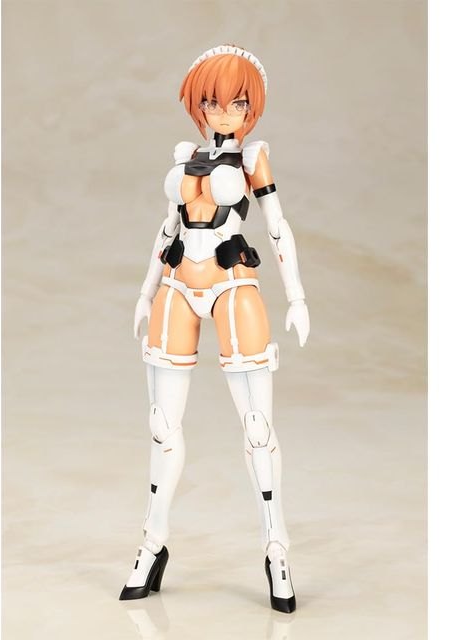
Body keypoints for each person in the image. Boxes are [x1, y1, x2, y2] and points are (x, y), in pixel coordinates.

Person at [119, 44, 310, 614]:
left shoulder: (254, 159)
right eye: (211, 101)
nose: (223, 111)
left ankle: (276, 548)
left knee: (257, 427)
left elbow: (277, 227)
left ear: (252, 107)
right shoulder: (186, 156)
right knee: (162, 426)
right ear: (196, 104)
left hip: (231, 285)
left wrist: (297, 296)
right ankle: (152, 543)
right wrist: (145, 290)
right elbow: (167, 227)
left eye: (237, 102)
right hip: (178, 285)